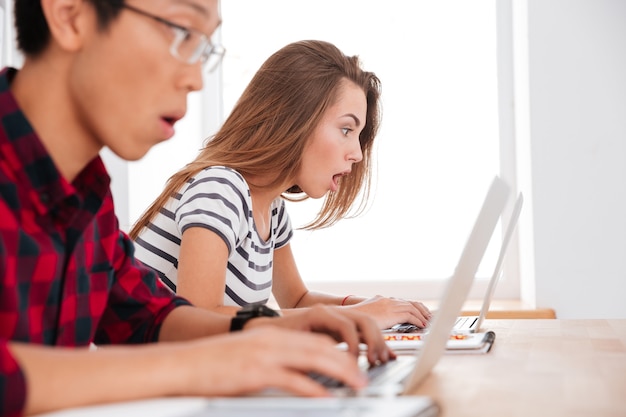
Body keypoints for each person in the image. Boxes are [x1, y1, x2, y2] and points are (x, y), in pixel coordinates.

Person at [0, 1, 395, 416]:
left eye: (202, 48)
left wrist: (270, 329)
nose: (195, 80)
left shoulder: (86, 195)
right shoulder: (218, 186)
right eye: (180, 32)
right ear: (70, 15)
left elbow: (147, 316)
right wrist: (204, 364)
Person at [129, 40, 432, 331]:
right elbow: (198, 319)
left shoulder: (270, 207)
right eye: (345, 129)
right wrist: (358, 316)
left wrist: (378, 308)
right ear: (295, 118)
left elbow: (298, 300)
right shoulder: (220, 188)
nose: (357, 153)